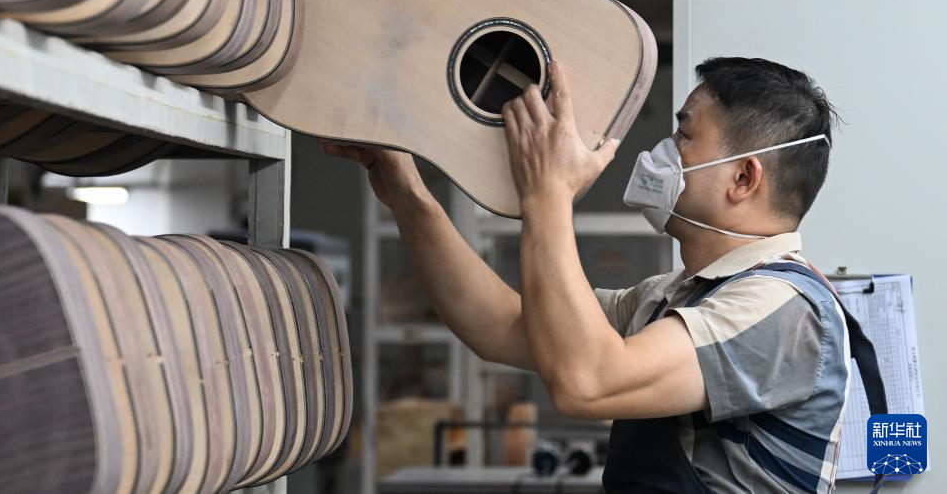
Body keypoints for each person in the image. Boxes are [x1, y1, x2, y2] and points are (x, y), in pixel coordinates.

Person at [320, 57, 861, 493]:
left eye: (684, 134)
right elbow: (502, 326)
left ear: (743, 178)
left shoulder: (782, 310)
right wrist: (408, 195)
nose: (664, 151)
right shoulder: (672, 296)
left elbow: (590, 383)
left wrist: (547, 194)